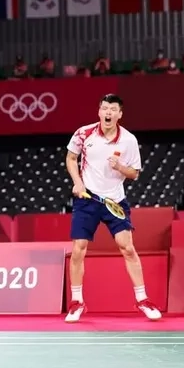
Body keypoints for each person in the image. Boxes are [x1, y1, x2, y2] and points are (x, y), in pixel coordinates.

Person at [64, 94, 162, 323]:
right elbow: (71, 158)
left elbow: (134, 174)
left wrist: (120, 167)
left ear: (120, 114)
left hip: (115, 201)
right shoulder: (83, 133)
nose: (108, 112)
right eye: (105, 108)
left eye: (113, 109)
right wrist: (77, 182)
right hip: (87, 199)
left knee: (127, 247)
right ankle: (77, 302)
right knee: (78, 249)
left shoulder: (128, 140)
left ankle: (143, 300)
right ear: (99, 111)